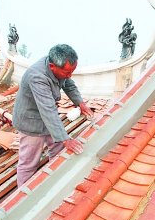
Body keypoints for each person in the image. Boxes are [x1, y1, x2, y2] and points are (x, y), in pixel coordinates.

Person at [13, 44, 94, 187]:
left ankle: (55, 182)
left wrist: (80, 104)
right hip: (30, 121)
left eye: (72, 72)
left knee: (58, 151)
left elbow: (69, 85)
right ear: (52, 66)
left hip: (47, 116)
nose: (69, 76)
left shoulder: (61, 67)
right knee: (29, 162)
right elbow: (48, 110)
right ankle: (23, 197)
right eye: (67, 73)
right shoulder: (37, 76)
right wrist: (65, 139)